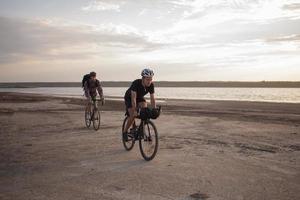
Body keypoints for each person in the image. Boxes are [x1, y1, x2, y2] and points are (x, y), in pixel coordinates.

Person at [123, 68, 156, 141]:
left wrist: (154, 109)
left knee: (145, 111)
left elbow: (152, 98)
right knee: (133, 114)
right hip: (130, 97)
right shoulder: (136, 83)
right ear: (143, 78)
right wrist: (134, 110)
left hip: (140, 97)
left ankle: (141, 130)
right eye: (147, 79)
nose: (149, 81)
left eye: (151, 79)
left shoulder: (151, 85)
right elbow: (133, 98)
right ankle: (125, 132)